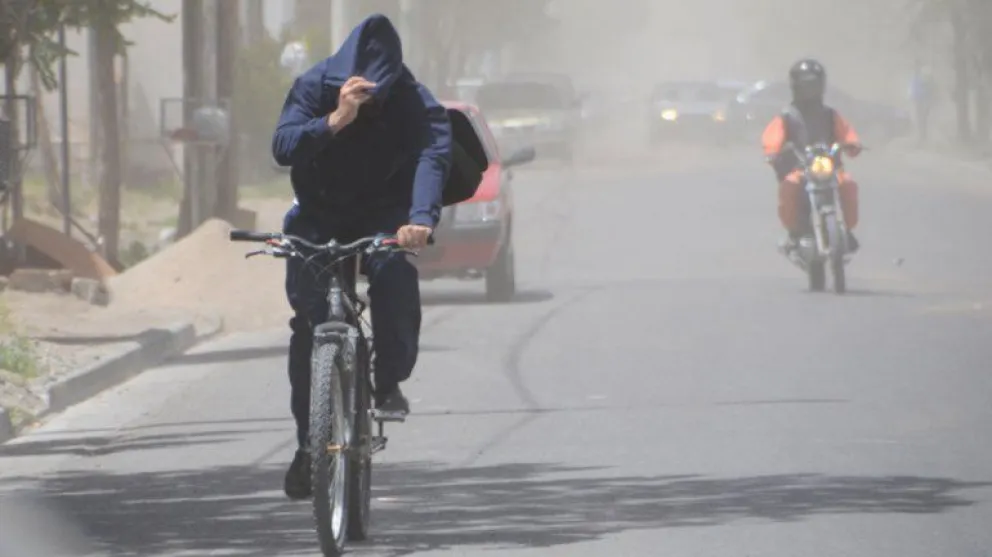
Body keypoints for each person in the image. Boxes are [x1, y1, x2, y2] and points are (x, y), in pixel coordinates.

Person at [271, 13, 452, 500]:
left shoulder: (412, 99)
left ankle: (388, 379)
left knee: (394, 275)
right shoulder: (314, 86)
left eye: (376, 96)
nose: (369, 103)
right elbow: (282, 146)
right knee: (308, 324)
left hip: (382, 213)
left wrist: (420, 219)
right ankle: (308, 445)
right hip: (318, 211)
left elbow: (432, 155)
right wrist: (334, 120)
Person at [761, 59, 862, 253]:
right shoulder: (787, 115)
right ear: (796, 87)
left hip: (830, 169)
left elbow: (847, 133)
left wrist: (852, 144)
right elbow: (772, 136)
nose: (811, 91)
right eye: (806, 86)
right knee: (790, 185)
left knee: (848, 184)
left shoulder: (831, 114)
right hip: (800, 168)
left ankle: (847, 231)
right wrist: (772, 151)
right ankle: (795, 232)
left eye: (814, 85)